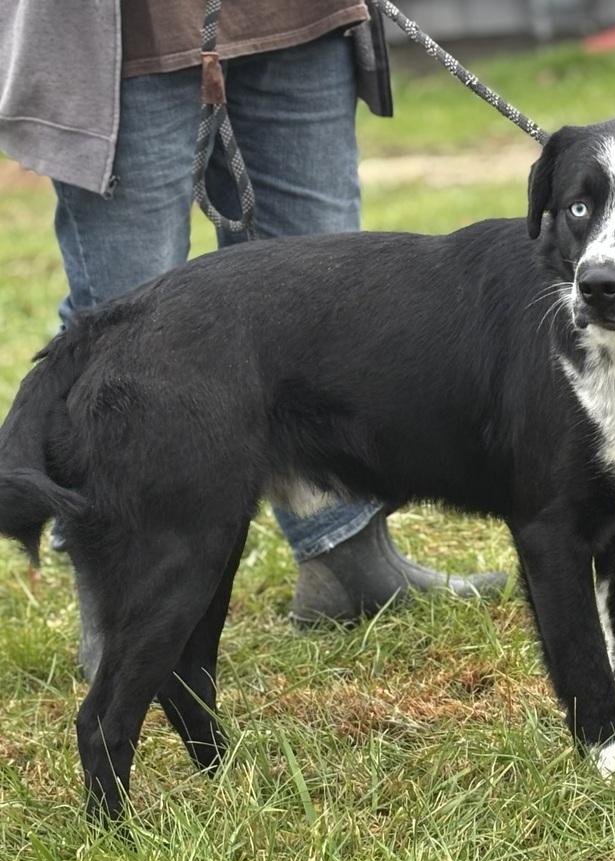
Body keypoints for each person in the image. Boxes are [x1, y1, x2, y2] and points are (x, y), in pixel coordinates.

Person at [0, 0, 507, 675]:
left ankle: (346, 555)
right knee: (128, 332)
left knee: (336, 313)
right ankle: (120, 618)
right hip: (122, 36)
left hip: (299, 19)